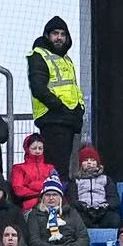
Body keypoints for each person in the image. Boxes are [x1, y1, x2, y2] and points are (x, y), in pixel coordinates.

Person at [27, 17, 84, 175]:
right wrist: (60, 107)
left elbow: (72, 87)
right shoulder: (39, 55)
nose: (59, 37)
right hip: (53, 119)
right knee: (57, 168)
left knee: (66, 168)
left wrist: (79, 108)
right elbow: (39, 87)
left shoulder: (66, 58)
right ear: (47, 35)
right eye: (55, 33)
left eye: (62, 34)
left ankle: (63, 196)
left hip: (68, 119)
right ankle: (59, 198)